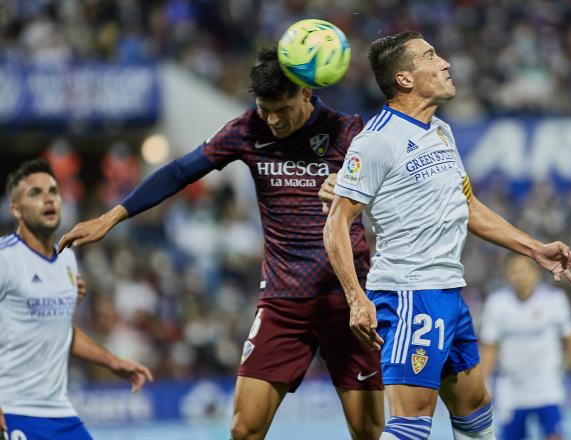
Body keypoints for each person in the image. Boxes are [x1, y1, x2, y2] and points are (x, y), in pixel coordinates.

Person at [58, 47, 384, 440]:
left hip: (346, 301)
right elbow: (180, 171)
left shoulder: (349, 131)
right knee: (243, 430)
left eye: (282, 107)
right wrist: (110, 217)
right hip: (283, 303)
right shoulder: (247, 129)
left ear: (306, 94)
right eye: (266, 108)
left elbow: (392, 188)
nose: (274, 119)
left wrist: (356, 190)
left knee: (370, 433)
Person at [322, 31, 571, 440]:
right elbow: (336, 223)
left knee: (475, 410)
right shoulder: (377, 141)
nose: (445, 62)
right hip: (410, 293)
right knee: (411, 422)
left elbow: (468, 208)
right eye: (430, 56)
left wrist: (535, 248)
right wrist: (356, 298)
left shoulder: (442, 132)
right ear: (405, 80)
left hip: (448, 291)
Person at [0, 158, 153, 440]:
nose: (48, 199)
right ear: (16, 210)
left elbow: (57, 329)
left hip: (58, 412)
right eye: (35, 193)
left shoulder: (67, 260)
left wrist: (113, 362)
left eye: (53, 191)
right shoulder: (5, 259)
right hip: (13, 410)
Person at [479, 255, 571, 440]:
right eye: (515, 271)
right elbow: (489, 348)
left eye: (524, 270)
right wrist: (483, 385)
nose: (520, 276)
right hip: (511, 390)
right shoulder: (497, 303)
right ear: (508, 275)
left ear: (536, 274)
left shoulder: (554, 300)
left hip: (548, 387)